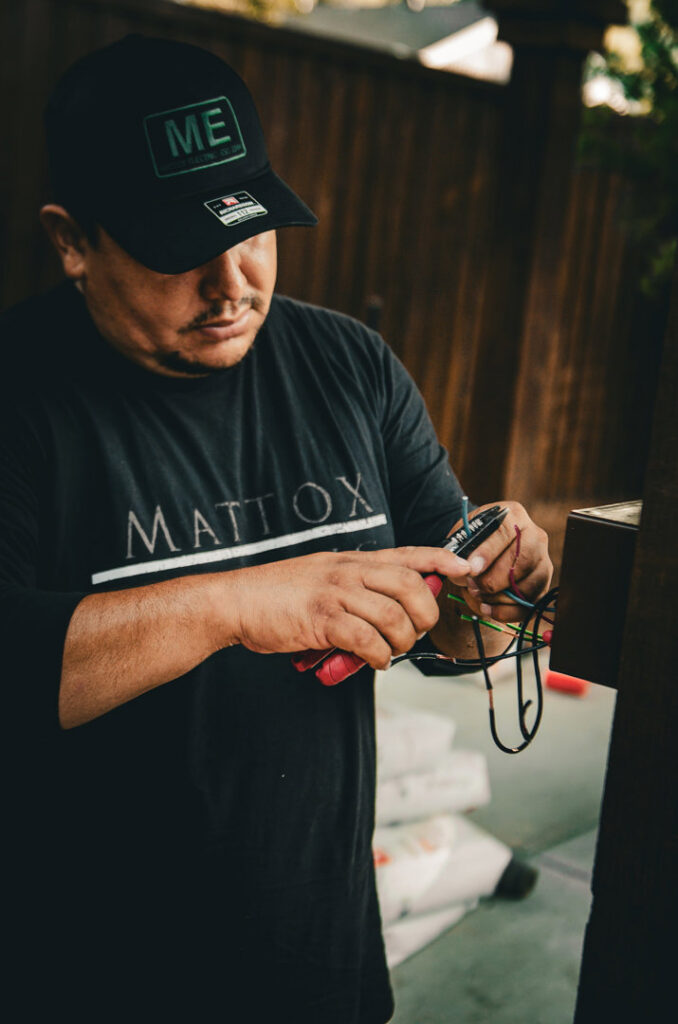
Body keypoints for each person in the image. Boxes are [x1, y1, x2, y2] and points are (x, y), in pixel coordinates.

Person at [0, 34, 552, 1023]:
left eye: (251, 232)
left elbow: (455, 633)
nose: (232, 283)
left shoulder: (350, 365)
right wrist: (241, 602)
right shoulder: (21, 394)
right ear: (71, 239)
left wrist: (497, 590)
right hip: (82, 974)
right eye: (179, 250)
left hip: (317, 966)